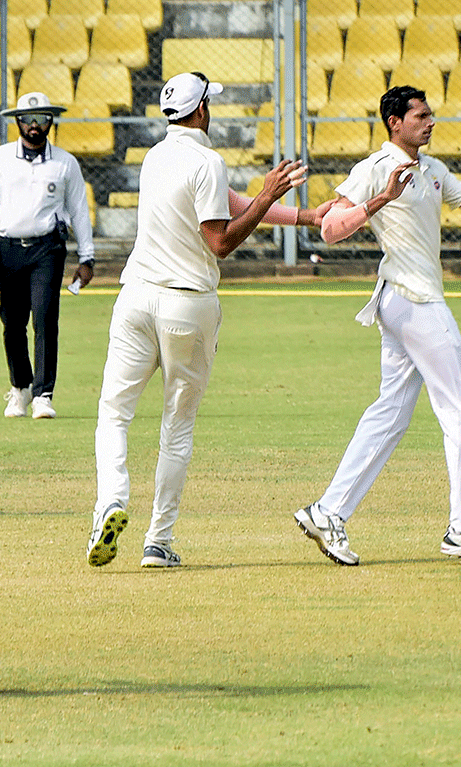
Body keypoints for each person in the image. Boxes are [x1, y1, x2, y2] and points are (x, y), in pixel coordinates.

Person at [87, 71, 331, 569]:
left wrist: (303, 216)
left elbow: (224, 205)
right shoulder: (209, 161)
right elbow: (220, 239)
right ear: (201, 111)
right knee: (176, 428)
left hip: (135, 298)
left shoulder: (157, 156)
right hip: (187, 305)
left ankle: (109, 502)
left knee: (114, 413)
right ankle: (158, 540)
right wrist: (267, 195)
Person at [293, 85, 461, 566]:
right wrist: (381, 199)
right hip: (413, 301)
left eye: (430, 114)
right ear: (394, 123)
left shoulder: (433, 169)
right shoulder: (374, 169)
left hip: (404, 304)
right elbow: (329, 229)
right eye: (420, 115)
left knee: (391, 415)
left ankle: (328, 511)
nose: (430, 121)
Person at [0, 91, 96, 420]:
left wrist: (87, 257)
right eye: (27, 120)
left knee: (44, 319)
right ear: (17, 122)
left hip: (47, 249)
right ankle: (20, 387)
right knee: (12, 323)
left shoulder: (65, 163)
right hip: (9, 249)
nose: (34, 126)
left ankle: (43, 393)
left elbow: (79, 210)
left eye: (41, 119)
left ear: (51, 121)